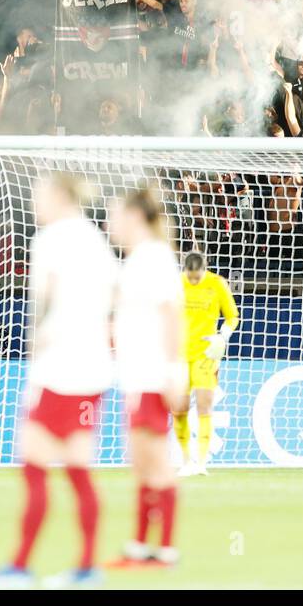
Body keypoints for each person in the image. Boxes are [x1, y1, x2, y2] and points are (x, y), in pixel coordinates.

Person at [0, 174, 115, 588]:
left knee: (33, 463)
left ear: (58, 196)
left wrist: (37, 363)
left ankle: (21, 567)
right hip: (93, 370)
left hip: (58, 367)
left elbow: (43, 312)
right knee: (77, 468)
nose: (34, 203)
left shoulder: (50, 241)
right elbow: (107, 306)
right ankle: (85, 567)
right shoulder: (96, 241)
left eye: (39, 195)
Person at [109, 187, 186, 568]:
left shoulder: (154, 259)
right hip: (137, 377)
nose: (110, 223)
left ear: (135, 217)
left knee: (155, 463)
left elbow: (172, 315)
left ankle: (165, 549)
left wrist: (173, 372)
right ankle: (141, 547)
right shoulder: (140, 259)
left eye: (115, 215)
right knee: (140, 462)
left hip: (153, 377)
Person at [174, 250, 238, 476]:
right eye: (189, 276)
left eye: (196, 277)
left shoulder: (217, 284)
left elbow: (232, 316)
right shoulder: (176, 284)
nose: (193, 280)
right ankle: (185, 461)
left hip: (206, 356)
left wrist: (222, 336)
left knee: (204, 406)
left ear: (204, 269)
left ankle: (201, 462)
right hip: (179, 355)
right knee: (179, 408)